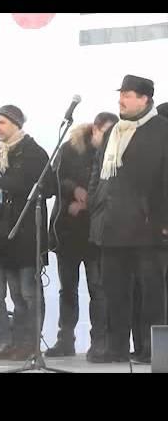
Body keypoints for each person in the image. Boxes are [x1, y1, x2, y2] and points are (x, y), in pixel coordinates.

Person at [88, 74, 168, 364]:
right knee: (114, 291)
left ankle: (154, 350)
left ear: (145, 99)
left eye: (127, 94)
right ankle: (116, 348)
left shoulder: (162, 129)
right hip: (111, 225)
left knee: (152, 294)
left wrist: (164, 220)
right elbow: (98, 171)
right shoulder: (114, 131)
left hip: (148, 226)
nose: (121, 99)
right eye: (120, 94)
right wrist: (96, 203)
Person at [46, 112, 118, 362]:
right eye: (105, 132)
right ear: (95, 129)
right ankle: (65, 339)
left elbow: (113, 187)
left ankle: (100, 341)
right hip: (68, 230)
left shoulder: (114, 152)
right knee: (67, 289)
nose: (108, 138)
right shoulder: (69, 148)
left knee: (98, 289)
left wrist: (87, 203)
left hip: (96, 232)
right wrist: (73, 189)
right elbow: (53, 180)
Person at [0, 105, 53, 361]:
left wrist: (4, 182)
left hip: (25, 232)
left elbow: (48, 187)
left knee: (28, 292)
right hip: (0, 233)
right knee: (8, 293)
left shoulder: (33, 152)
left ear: (16, 124)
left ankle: (29, 342)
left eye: (2, 122)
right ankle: (8, 342)